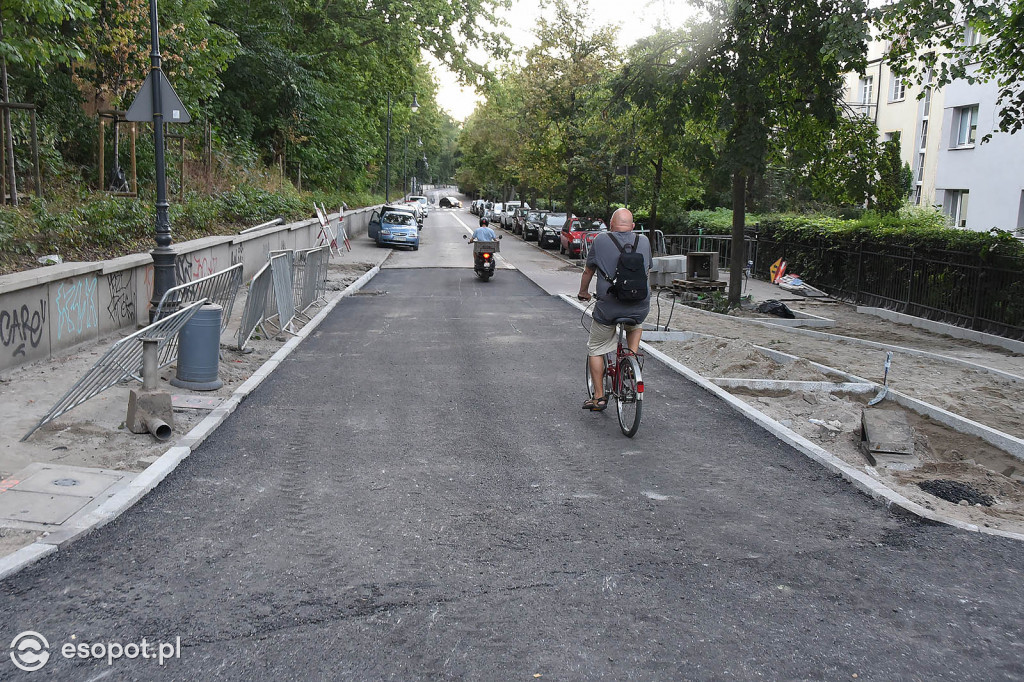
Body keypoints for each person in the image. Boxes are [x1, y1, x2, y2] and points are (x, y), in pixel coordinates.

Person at [577, 208, 652, 411]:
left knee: (596, 347)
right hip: (639, 305)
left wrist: (583, 292)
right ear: (633, 226)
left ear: (610, 226)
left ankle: (599, 397)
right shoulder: (643, 241)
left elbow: (588, 270)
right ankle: (631, 358)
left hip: (608, 308)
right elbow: (647, 270)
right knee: (635, 324)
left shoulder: (601, 240)